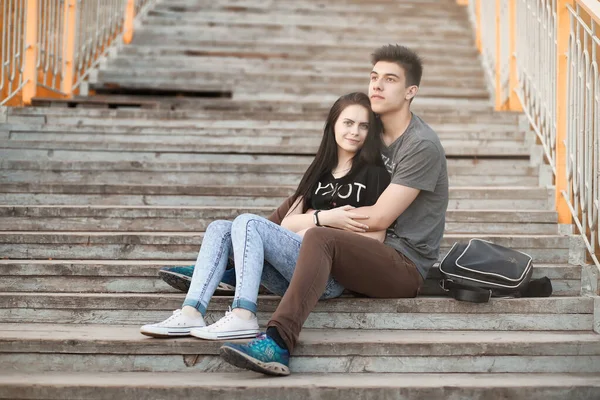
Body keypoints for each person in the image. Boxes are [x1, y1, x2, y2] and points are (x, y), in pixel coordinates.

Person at [218, 44, 449, 376]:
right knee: (308, 194)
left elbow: (381, 217)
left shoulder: (420, 145)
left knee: (319, 236)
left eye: (389, 80)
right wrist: (312, 206)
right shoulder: (373, 132)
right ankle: (233, 262)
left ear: (411, 91)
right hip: (364, 250)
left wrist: (317, 219)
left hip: (401, 263)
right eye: (373, 77)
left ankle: (279, 342)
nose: (377, 86)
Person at [139, 92, 391, 340]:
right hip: (291, 267)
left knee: (249, 222)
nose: (354, 132)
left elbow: (377, 236)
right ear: (333, 124)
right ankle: (191, 312)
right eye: (348, 123)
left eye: (363, 126)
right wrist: (323, 218)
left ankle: (243, 315)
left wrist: (321, 230)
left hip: (327, 277)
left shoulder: (374, 173)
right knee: (219, 228)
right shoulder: (319, 171)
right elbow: (288, 222)